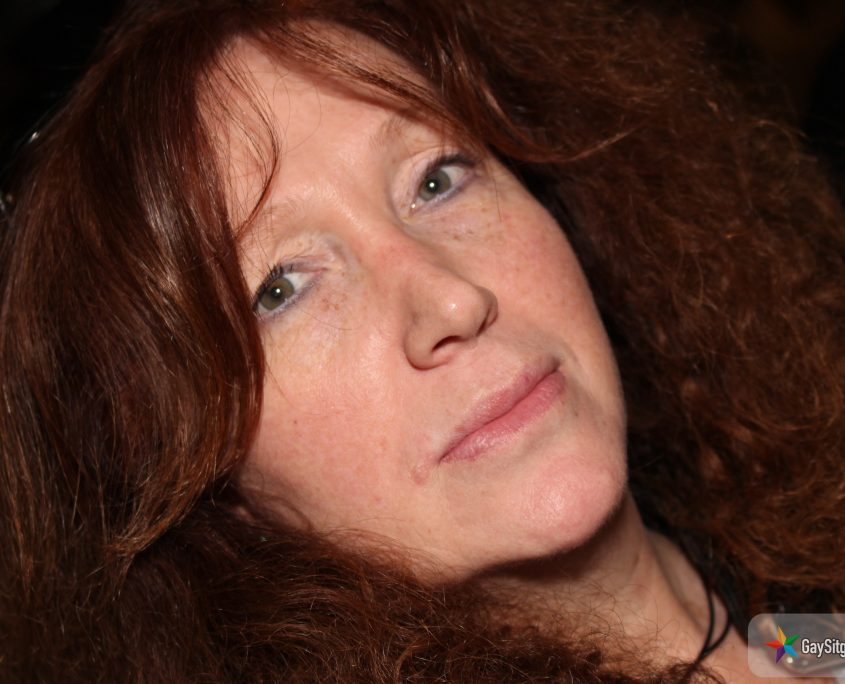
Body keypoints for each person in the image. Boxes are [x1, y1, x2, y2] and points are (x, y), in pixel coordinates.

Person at [1, 0, 843, 681]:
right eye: (280, 288)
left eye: (435, 179)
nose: (451, 299)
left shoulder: (780, 615)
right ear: (209, 478)